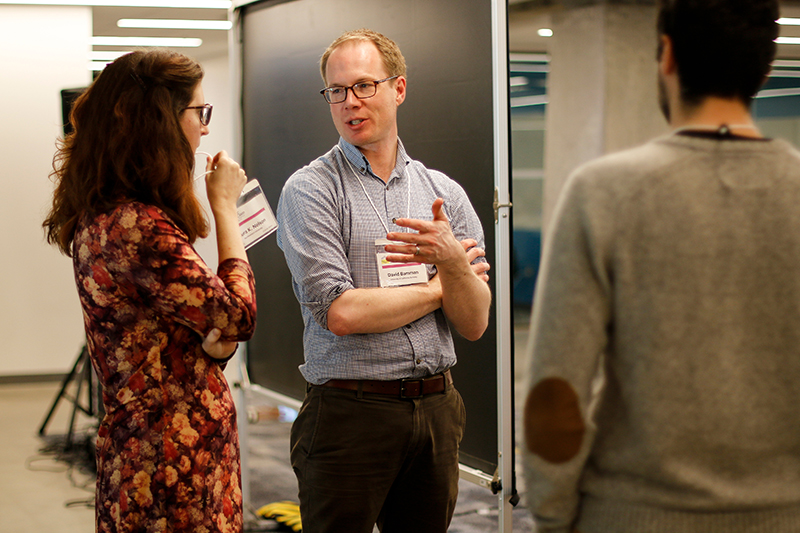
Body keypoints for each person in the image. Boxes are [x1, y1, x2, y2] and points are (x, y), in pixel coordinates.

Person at [520, 1, 800, 532]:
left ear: (667, 55)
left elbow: (556, 391)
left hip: (630, 514)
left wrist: (553, 516)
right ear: (765, 65)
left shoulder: (604, 192)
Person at [276, 28, 492, 533]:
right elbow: (343, 313)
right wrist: (446, 280)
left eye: (364, 86)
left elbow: (475, 321)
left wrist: (455, 272)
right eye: (337, 91)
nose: (350, 102)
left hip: (437, 409)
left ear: (398, 89)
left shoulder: (443, 194)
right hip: (350, 413)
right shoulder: (311, 190)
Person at [43, 50, 257, 533]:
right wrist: (225, 206)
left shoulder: (106, 216)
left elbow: (170, 339)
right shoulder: (139, 226)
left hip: (149, 454)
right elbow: (238, 316)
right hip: (171, 466)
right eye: (198, 113)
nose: (205, 128)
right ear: (159, 121)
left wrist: (206, 345)